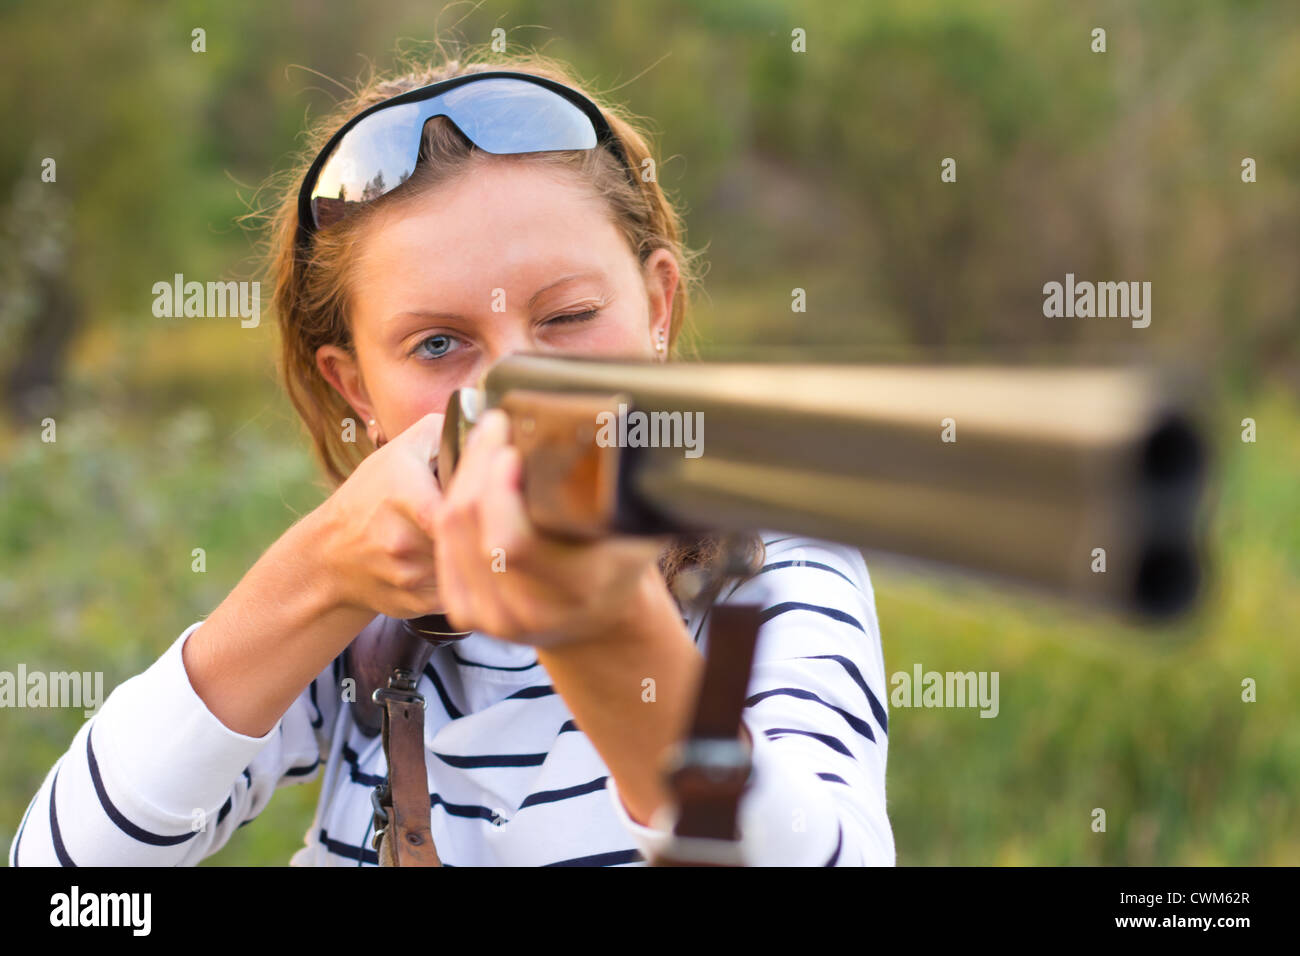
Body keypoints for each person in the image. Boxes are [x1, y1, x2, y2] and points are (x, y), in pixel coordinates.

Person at [8, 52, 895, 867]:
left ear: (658, 307)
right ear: (355, 388)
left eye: (568, 316)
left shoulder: (776, 562)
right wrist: (320, 577)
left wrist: (606, 630)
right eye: (438, 343)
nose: (517, 386)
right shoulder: (362, 611)